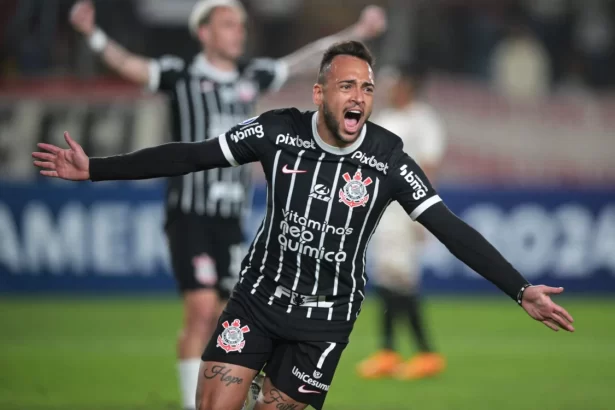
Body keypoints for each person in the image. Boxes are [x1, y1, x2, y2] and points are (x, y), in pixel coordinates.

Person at [33, 40, 575, 410]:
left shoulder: (389, 159)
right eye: (346, 86)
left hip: (325, 320)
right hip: (258, 300)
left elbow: (451, 229)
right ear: (320, 94)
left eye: (365, 87)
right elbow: (191, 155)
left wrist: (520, 289)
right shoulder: (276, 132)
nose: (358, 96)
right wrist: (97, 169)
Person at [68, 2, 386, 409]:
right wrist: (93, 34)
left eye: (241, 24)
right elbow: (130, 65)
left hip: (233, 220)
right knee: (200, 309)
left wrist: (357, 30)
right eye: (228, 24)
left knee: (225, 314)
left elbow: (309, 61)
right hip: (191, 214)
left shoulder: (252, 76)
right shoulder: (179, 74)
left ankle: (241, 383)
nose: (239, 31)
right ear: (204, 32)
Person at [357, 62, 447, 380]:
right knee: (386, 279)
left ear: (407, 84)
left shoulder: (423, 120)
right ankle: (388, 351)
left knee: (403, 279)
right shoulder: (383, 119)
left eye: (393, 81)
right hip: (384, 210)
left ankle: (426, 353)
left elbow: (430, 166)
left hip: (408, 209)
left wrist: (424, 216)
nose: (387, 87)